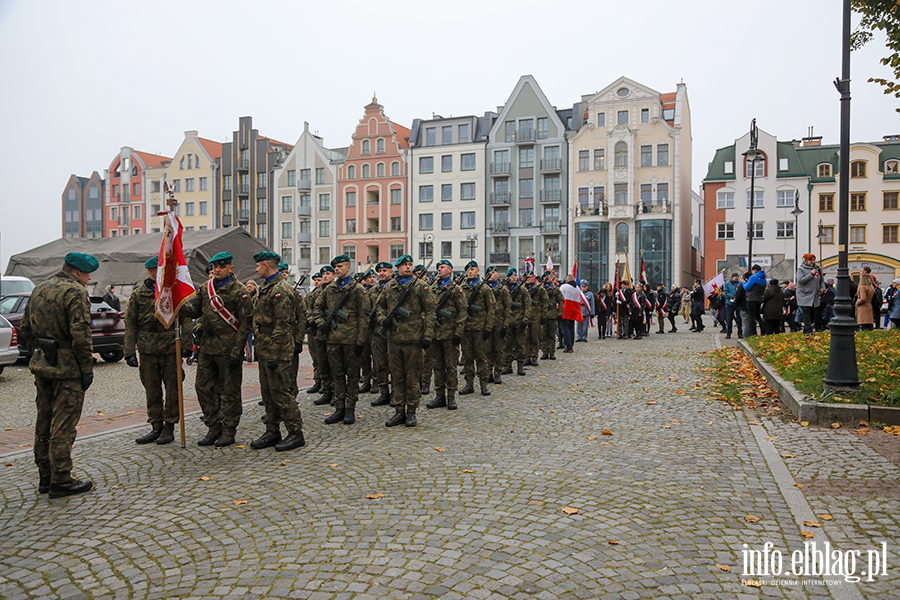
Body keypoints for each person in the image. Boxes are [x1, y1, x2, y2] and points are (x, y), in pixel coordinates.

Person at [21, 252, 97, 498]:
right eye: (87, 275)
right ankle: (61, 479)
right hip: (67, 368)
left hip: (43, 364)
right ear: (76, 272)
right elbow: (81, 334)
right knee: (63, 424)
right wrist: (86, 368)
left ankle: (45, 476)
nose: (87, 279)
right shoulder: (75, 292)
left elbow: (26, 328)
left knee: (44, 419)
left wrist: (44, 349)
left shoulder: (39, 289)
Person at [182, 252, 252, 447]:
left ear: (230, 267)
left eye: (222, 266)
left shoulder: (240, 291)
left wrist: (237, 351)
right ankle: (214, 426)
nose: (217, 269)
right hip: (207, 347)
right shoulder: (206, 288)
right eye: (214, 266)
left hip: (229, 348)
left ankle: (229, 430)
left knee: (230, 392)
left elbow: (246, 324)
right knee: (202, 387)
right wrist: (177, 303)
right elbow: (195, 312)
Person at [125, 256, 191, 446]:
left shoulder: (172, 291)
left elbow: (186, 318)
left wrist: (186, 345)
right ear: (150, 272)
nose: (158, 273)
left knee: (173, 389)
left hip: (171, 346)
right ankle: (156, 426)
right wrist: (129, 350)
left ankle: (169, 426)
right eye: (155, 270)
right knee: (152, 390)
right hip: (147, 348)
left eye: (161, 270)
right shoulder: (139, 294)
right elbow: (130, 323)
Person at [249, 251, 306, 450]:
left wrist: (274, 352)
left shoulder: (280, 289)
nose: (256, 269)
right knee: (268, 393)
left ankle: (295, 432)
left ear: (265, 265)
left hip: (277, 349)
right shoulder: (267, 288)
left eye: (258, 266)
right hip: (265, 346)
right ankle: (272, 431)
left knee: (282, 392)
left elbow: (283, 325)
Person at [375, 254, 435, 427]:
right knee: (397, 376)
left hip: (414, 339)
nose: (408, 267)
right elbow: (379, 306)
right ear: (398, 267)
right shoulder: (390, 287)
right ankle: (399, 410)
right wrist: (383, 320)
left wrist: (427, 336)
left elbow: (430, 312)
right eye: (404, 265)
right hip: (394, 339)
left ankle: (411, 412)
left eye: (410, 264)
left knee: (412, 377)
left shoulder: (421, 286)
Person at [311, 254, 370, 425]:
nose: (337, 270)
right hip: (333, 340)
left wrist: (360, 341)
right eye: (335, 267)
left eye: (340, 267)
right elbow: (316, 308)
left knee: (351, 376)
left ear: (348, 268)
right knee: (336, 375)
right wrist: (322, 324)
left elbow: (364, 316)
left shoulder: (358, 289)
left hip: (351, 340)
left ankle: (350, 408)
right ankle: (339, 408)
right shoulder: (329, 289)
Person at [426, 259, 466, 410]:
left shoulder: (456, 289)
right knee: (437, 367)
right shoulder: (432, 288)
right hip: (435, 334)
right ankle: (439, 396)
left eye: (442, 267)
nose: (439, 270)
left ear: (450, 270)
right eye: (438, 268)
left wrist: (458, 333)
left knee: (450, 367)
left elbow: (462, 311)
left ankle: (451, 397)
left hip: (450, 334)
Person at [459, 261, 495, 396]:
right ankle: (469, 384)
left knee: (481, 357)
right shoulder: (461, 288)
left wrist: (488, 328)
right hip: (466, 328)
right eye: (467, 269)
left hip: (480, 328)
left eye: (472, 269)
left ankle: (484, 384)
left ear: (478, 270)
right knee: (467, 357)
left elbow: (491, 309)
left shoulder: (484, 288)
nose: (470, 272)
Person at [309, 267, 336, 406]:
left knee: (334, 364)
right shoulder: (317, 292)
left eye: (328, 274)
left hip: (334, 331)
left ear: (334, 276)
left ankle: (336, 393)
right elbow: (312, 309)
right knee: (322, 362)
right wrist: (316, 323)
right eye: (323, 274)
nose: (325, 276)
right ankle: (326, 390)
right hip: (320, 331)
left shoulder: (337, 290)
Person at [369, 263, 394, 406]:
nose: (382, 273)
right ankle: (384, 392)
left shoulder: (397, 289)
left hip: (393, 331)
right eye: (380, 271)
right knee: (380, 363)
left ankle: (396, 393)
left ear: (391, 272)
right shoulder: (374, 290)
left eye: (385, 270)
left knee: (395, 364)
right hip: (378, 332)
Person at [503, 268, 532, 376]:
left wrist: (525, 319)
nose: (514, 277)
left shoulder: (522, 290)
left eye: (515, 275)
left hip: (519, 321)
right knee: (507, 345)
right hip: (508, 321)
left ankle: (520, 366)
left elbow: (528, 306)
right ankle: (508, 366)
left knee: (520, 345)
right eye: (511, 275)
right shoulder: (504, 289)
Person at [487, 267, 511, 383]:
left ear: (497, 274)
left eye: (493, 273)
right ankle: (488, 372)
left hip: (499, 323)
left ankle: (497, 372)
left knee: (498, 350)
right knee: (487, 350)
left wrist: (505, 325)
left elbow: (508, 308)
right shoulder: (484, 288)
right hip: (486, 324)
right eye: (489, 273)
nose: (490, 275)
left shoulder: (502, 289)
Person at [795, 254, 825, 335]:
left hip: (814, 295)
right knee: (806, 312)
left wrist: (822, 288)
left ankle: (807, 329)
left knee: (813, 313)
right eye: (810, 260)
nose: (812, 262)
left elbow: (821, 280)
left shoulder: (817, 269)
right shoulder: (801, 270)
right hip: (804, 295)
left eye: (813, 260)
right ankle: (808, 330)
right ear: (806, 260)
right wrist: (811, 274)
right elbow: (800, 281)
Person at [524, 271, 547, 364]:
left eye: (530, 277)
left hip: (536, 316)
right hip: (525, 316)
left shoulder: (539, 289)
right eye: (526, 277)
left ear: (533, 277)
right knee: (525, 338)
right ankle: (526, 357)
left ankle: (534, 357)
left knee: (534, 338)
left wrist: (543, 316)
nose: (528, 279)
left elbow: (545, 302)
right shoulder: (522, 288)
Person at [359, 269, 376, 393]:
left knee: (377, 357)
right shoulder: (361, 292)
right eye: (369, 277)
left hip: (375, 329)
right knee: (364, 358)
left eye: (373, 277)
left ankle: (376, 382)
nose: (372, 279)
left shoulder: (377, 291)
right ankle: (366, 381)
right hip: (363, 328)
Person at [541, 272, 563, 359]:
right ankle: (544, 352)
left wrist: (560, 313)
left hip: (552, 314)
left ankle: (551, 352)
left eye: (548, 277)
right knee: (543, 335)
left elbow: (561, 301)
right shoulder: (540, 288)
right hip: (543, 315)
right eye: (545, 277)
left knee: (551, 334)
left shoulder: (555, 289)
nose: (547, 278)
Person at [743, 265, 767, 336]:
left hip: (751, 299)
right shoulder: (764, 278)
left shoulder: (753, 277)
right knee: (758, 316)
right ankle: (763, 331)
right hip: (759, 299)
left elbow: (747, 287)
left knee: (751, 316)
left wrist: (744, 282)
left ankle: (753, 332)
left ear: (755, 270)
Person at [723, 273, 742, 339]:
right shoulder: (727, 284)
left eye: (737, 276)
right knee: (729, 319)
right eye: (735, 276)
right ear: (732, 277)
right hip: (729, 303)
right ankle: (728, 333)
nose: (736, 278)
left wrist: (737, 298)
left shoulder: (740, 284)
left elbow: (742, 292)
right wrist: (733, 297)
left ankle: (740, 333)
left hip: (738, 303)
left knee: (739, 319)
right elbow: (726, 293)